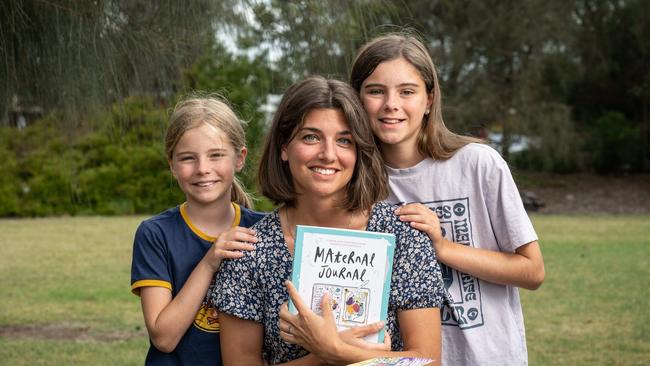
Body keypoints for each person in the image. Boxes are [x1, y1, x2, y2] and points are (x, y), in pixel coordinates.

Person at [208, 76, 451, 365]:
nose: (328, 154)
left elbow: (428, 361)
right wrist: (322, 355)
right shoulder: (248, 252)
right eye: (310, 137)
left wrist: (336, 351)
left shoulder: (404, 238)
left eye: (344, 140)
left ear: (360, 150)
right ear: (284, 147)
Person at [350, 33, 546, 365]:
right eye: (375, 91)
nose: (391, 105)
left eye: (407, 91)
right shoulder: (355, 181)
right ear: (356, 99)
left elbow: (532, 271)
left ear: (429, 99)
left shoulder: (478, 164)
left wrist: (443, 248)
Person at [130, 96, 265, 365]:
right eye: (188, 158)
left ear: (239, 158)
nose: (203, 169)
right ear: (172, 164)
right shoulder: (155, 234)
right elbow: (164, 338)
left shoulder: (263, 230)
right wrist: (209, 261)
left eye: (216, 155)